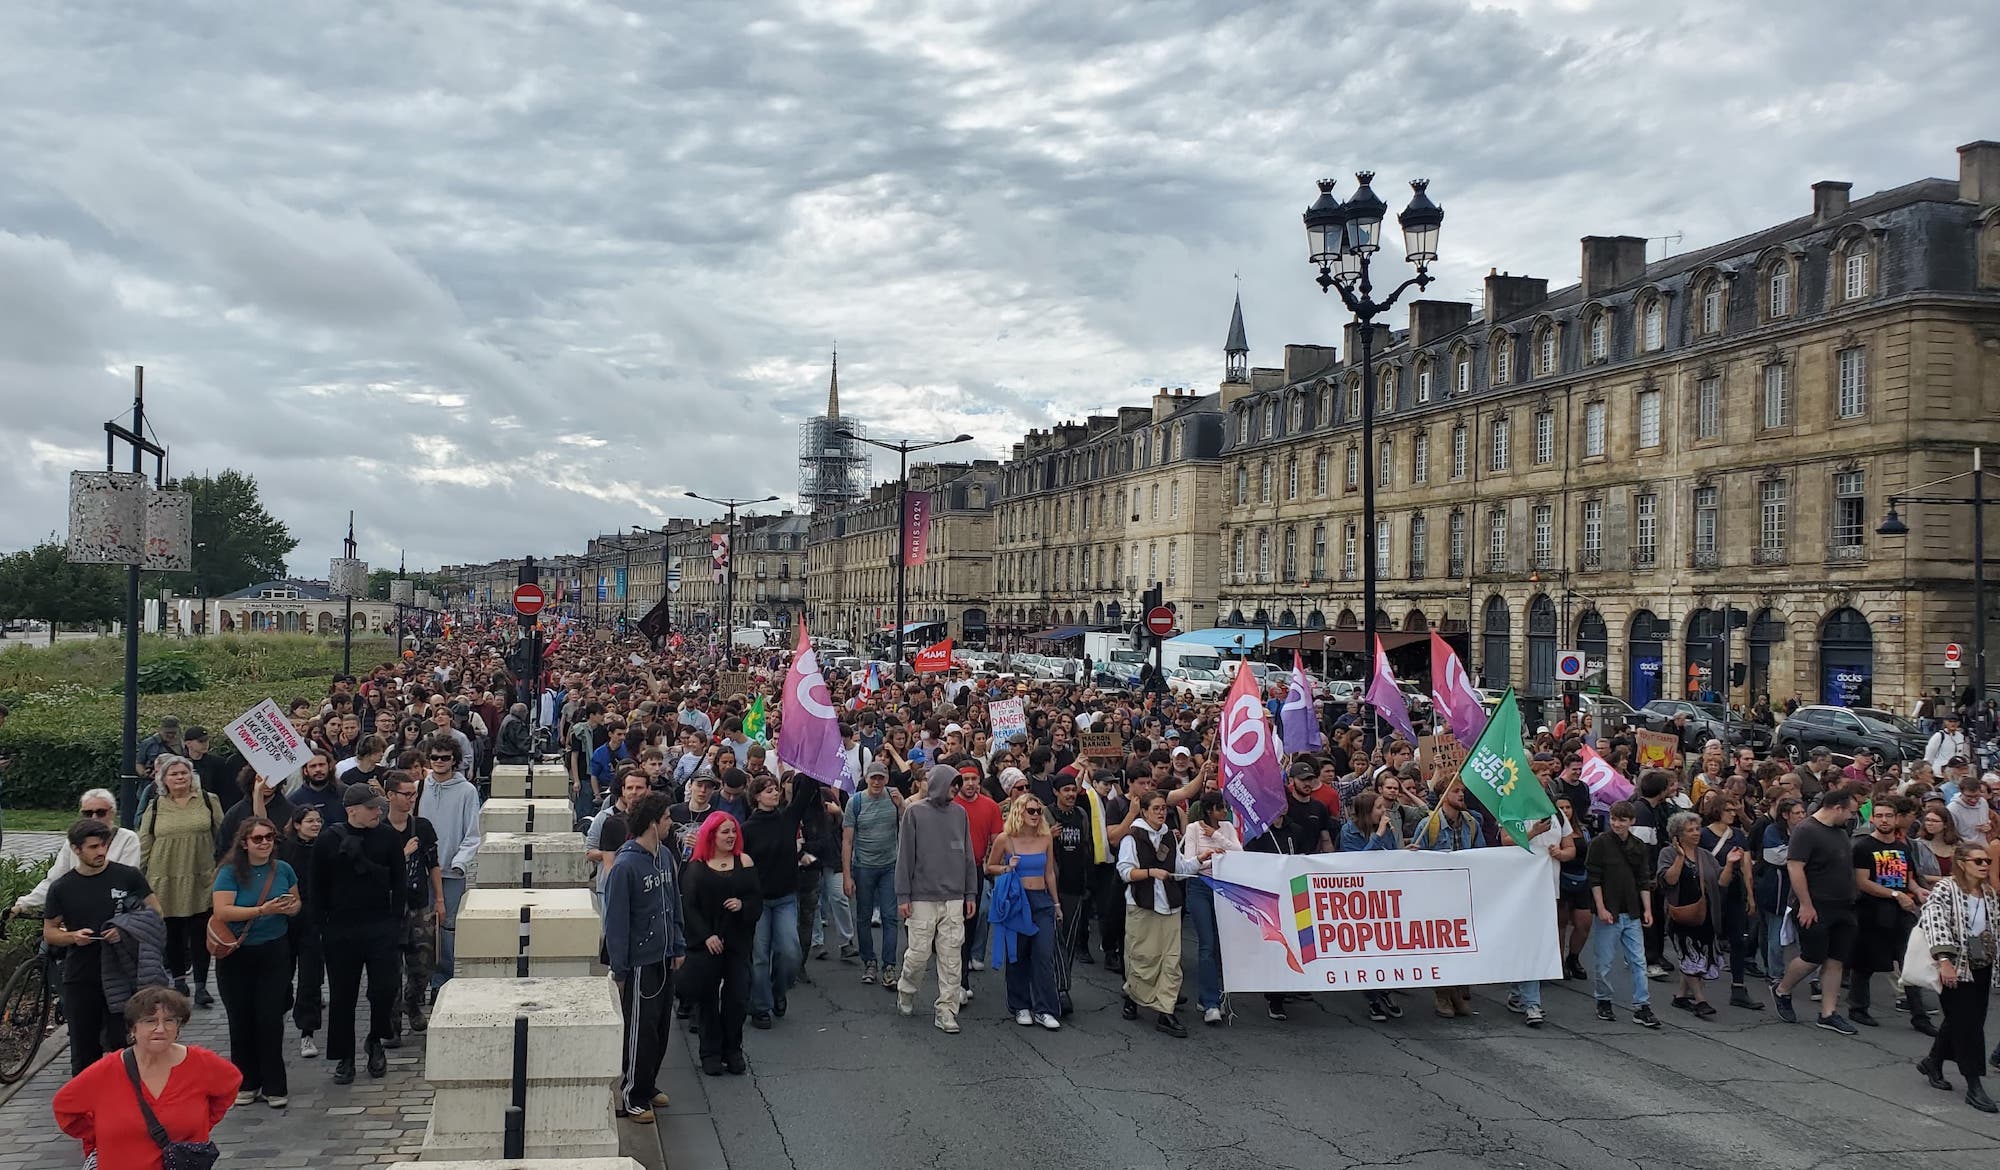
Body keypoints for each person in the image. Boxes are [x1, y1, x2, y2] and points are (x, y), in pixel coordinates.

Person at [52, 986, 241, 1170]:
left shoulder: (201, 1063)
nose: (160, 1029)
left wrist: (201, 1122)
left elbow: (230, 1084)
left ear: (178, 1027)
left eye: (169, 1021)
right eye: (150, 1021)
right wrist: (101, 1133)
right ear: (132, 1029)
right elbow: (64, 1108)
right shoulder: (106, 1071)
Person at [43, 817, 165, 1073]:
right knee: (83, 1048)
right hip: (82, 975)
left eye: (103, 846)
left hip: (123, 973)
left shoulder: (127, 876)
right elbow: (50, 933)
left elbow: (155, 914)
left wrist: (125, 929)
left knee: (124, 1044)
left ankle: (128, 1099)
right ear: (76, 849)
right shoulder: (62, 888)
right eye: (93, 847)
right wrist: (73, 937)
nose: (100, 852)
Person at [314, 785, 407, 1083]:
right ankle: (345, 1056)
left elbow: (399, 882)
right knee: (343, 995)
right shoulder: (328, 840)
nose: (377, 812)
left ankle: (376, 1039)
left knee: (384, 988)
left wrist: (395, 922)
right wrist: (322, 928)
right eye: (370, 808)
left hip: (380, 925)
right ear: (351, 809)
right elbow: (316, 887)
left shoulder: (388, 837)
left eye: (378, 807)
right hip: (341, 928)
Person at [603, 792, 686, 1123]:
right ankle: (633, 1094)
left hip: (665, 956)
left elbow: (673, 901)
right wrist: (620, 971)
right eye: (666, 818)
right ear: (652, 823)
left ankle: (648, 1083)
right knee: (639, 1028)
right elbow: (617, 924)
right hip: (639, 962)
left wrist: (678, 943)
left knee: (660, 1026)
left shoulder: (665, 856)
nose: (670, 823)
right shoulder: (625, 866)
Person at [210, 815, 301, 1108]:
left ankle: (275, 1085)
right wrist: (262, 910)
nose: (264, 843)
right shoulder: (230, 872)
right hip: (238, 954)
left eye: (269, 838)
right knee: (241, 1019)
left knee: (270, 1018)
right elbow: (223, 911)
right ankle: (246, 1082)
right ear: (244, 843)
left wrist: (289, 908)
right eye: (257, 839)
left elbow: (296, 902)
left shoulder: (283, 869)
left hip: (273, 950)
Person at [1772, 784, 1864, 1033]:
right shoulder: (1807, 830)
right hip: (1816, 905)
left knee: (1836, 960)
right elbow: (1795, 867)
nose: (1851, 817)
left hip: (1843, 905)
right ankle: (1782, 989)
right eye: (1850, 812)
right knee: (1812, 957)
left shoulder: (1840, 830)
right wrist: (1805, 904)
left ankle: (1828, 1012)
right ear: (1837, 808)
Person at [894, 764, 979, 1033]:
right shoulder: (914, 812)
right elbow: (905, 856)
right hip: (921, 897)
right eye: (953, 783)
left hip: (954, 897)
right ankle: (906, 990)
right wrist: (903, 895)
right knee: (917, 955)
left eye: (958, 784)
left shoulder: (960, 814)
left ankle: (946, 1010)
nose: (956, 788)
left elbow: (967, 855)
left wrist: (970, 892)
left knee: (952, 958)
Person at [1914, 843, 1998, 1112]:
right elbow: (1934, 922)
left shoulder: (1988, 893)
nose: (1985, 865)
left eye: (1986, 861)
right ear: (1961, 863)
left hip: (1981, 964)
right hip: (1954, 965)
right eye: (1978, 861)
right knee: (1969, 1025)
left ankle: (1933, 1061)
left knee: (1963, 1019)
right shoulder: (1945, 888)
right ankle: (1974, 1084)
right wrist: (1944, 961)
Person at [740, 771, 826, 1028]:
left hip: (786, 897)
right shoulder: (746, 830)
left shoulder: (788, 818)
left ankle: (779, 992)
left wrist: (810, 759)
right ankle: (760, 1007)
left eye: (776, 789)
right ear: (756, 797)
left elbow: (808, 788)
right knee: (760, 957)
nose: (775, 793)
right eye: (768, 790)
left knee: (790, 952)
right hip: (759, 902)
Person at [139, 753, 226, 1009]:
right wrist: (137, 877)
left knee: (199, 932)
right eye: (174, 774)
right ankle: (178, 980)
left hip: (201, 875)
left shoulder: (208, 801)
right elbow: (145, 840)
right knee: (173, 934)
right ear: (163, 779)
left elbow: (221, 835)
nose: (180, 778)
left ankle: (201, 985)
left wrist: (223, 868)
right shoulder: (155, 806)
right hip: (164, 877)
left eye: (184, 773)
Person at [681, 811, 762, 1076]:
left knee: (737, 997)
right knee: (707, 1000)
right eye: (724, 832)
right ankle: (710, 1052)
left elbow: (757, 900)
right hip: (707, 945)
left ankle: (733, 1049)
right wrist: (706, 935)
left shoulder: (745, 861)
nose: (730, 836)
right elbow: (689, 907)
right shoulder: (697, 867)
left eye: (733, 831)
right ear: (711, 835)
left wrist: (743, 905)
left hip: (737, 942)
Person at [1118, 790, 1199, 1038]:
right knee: (1143, 956)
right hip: (1143, 906)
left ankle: (1166, 1010)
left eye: (1164, 808)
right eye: (1156, 808)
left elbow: (1179, 867)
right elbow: (1124, 871)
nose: (1162, 812)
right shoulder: (1132, 838)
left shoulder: (1169, 837)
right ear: (1144, 811)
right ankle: (1134, 995)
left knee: (1171, 960)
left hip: (1170, 905)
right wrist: (1151, 872)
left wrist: (1201, 860)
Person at [1849, 795, 1926, 1030]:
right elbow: (1862, 882)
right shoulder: (1863, 847)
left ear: (1896, 819)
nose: (1884, 820)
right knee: (1865, 963)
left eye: (1889, 816)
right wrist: (1895, 895)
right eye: (1879, 816)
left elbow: (1908, 879)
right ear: (1872, 818)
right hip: (1871, 912)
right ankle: (1858, 1008)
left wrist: (1918, 892)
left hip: (1901, 914)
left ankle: (1919, 1016)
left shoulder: (1903, 847)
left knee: (1909, 963)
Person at [985, 790, 1061, 1030]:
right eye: (1031, 810)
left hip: (1041, 900)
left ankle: (1045, 1008)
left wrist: (1056, 903)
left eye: (1038, 811)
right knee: (1017, 955)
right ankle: (1020, 1005)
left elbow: (1049, 872)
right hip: (1018, 901)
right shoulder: (1005, 839)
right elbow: (990, 867)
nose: (1036, 815)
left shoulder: (1046, 838)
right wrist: (1007, 868)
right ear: (1020, 812)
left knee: (1043, 955)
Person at [1586, 801, 1661, 1029]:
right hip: (1610, 910)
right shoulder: (1600, 843)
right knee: (1605, 962)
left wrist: (1647, 909)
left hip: (1632, 911)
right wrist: (1601, 907)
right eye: (1614, 819)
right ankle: (1604, 999)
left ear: (1631, 822)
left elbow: (1643, 879)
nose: (1617, 824)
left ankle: (1642, 1005)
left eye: (1622, 820)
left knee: (1639, 960)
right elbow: (1594, 877)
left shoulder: (1638, 845)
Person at [418, 735, 482, 993]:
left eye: (445, 758)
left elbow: (473, 833)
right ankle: (419, 979)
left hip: (451, 873)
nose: (440, 762)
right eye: (435, 757)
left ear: (454, 760)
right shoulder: (420, 787)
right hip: (421, 871)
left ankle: (442, 981)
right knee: (421, 927)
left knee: (447, 927)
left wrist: (460, 863)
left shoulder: (467, 791)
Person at [11, 790, 140, 915]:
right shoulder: (73, 841)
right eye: (88, 813)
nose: (94, 818)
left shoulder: (127, 839)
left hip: (116, 913)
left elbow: (126, 882)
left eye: (101, 813)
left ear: (112, 813)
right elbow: (55, 880)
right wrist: (23, 904)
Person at [384, 771, 442, 1044]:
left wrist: (439, 900)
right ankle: (392, 1024)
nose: (410, 800)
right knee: (390, 968)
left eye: (413, 795)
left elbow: (433, 865)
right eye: (405, 795)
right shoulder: (379, 830)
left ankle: (413, 1002)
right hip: (389, 908)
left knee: (422, 965)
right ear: (390, 796)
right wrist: (401, 854)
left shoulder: (422, 827)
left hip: (418, 903)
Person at [1657, 810, 1726, 1019]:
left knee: (1701, 957)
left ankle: (1680, 996)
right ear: (1678, 835)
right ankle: (1700, 1000)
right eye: (1690, 830)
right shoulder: (1667, 853)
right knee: (1689, 957)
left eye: (1697, 829)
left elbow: (1721, 880)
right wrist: (1679, 857)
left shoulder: (1704, 855)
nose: (1696, 833)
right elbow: (1669, 880)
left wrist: (1731, 864)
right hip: (1680, 915)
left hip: (1704, 914)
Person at [1183, 791, 1243, 1024]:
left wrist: (1217, 837)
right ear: (1209, 810)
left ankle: (1212, 994)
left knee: (1220, 943)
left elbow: (1239, 854)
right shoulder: (1192, 830)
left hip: (1223, 886)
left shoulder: (1226, 828)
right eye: (1220, 808)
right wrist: (1211, 858)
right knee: (1206, 943)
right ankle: (1210, 1003)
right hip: (1199, 887)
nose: (1224, 812)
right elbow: (1190, 863)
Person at [1697, 794, 1761, 1010]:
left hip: (1733, 891)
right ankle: (1694, 988)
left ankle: (1738, 987)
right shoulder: (1704, 835)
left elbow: (1746, 868)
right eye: (1729, 810)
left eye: (1735, 810)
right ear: (1717, 811)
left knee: (1738, 940)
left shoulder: (1738, 836)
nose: (1734, 814)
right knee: (1705, 936)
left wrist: (1750, 896)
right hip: (1711, 891)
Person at [843, 761, 903, 986]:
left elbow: (908, 829)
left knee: (890, 917)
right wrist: (847, 875)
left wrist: (902, 807)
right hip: (864, 866)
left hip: (889, 865)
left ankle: (889, 966)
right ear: (866, 779)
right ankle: (869, 961)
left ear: (886, 779)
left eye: (881, 778)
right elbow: (847, 841)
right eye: (873, 778)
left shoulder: (894, 798)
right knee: (863, 916)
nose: (877, 782)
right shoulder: (855, 802)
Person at [279, 806, 326, 1057]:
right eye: (310, 821)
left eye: (318, 821)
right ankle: (280, 1012)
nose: (315, 825)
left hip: (314, 918)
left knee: (310, 978)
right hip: (286, 917)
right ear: (297, 824)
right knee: (281, 974)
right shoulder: (284, 848)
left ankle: (307, 1032)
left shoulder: (326, 847)